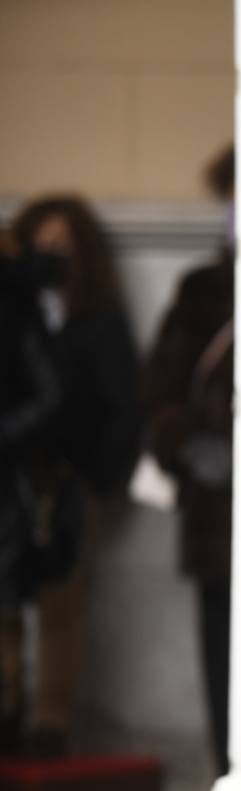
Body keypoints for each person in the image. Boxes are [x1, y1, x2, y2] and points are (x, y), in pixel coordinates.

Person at [9, 195, 140, 757]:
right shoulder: (14, 314)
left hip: (66, 480)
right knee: (6, 597)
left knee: (63, 601)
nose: (50, 256)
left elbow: (120, 407)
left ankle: (49, 722)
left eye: (63, 244)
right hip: (11, 477)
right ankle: (8, 704)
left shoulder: (98, 322)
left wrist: (99, 481)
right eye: (41, 243)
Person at [144, 145, 237, 776]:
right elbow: (159, 391)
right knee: (222, 655)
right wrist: (190, 447)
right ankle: (228, 783)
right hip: (219, 516)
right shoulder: (203, 291)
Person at [0, 231, 63, 751]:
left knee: (6, 608)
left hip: (6, 483)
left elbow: (47, 394)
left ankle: (11, 716)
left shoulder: (13, 306)